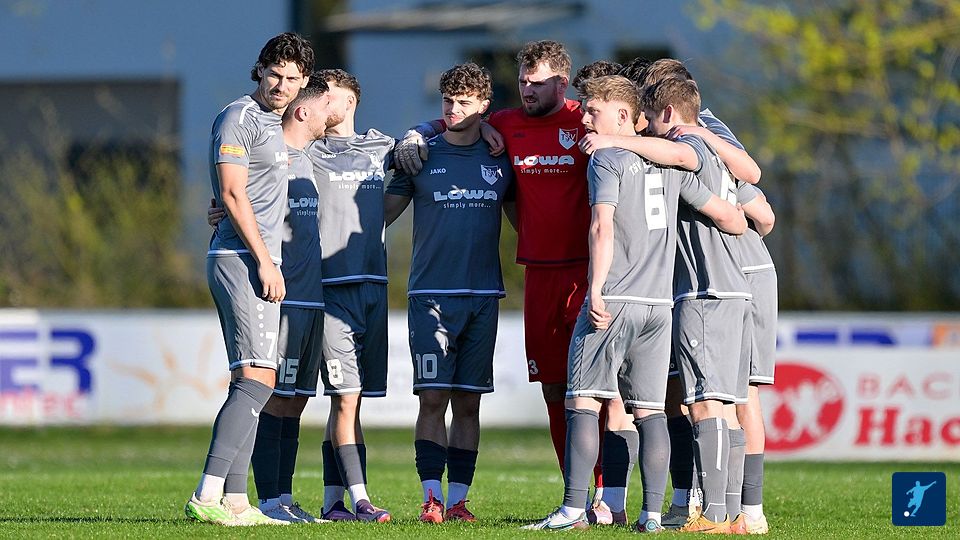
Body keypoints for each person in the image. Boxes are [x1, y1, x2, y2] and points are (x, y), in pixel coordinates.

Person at [394, 39, 614, 524]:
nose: (527, 89)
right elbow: (456, 120)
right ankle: (576, 496)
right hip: (537, 274)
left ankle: (608, 496)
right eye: (522, 81)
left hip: (590, 272)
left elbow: (631, 132)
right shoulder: (506, 126)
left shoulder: (587, 120)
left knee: (602, 392)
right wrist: (415, 132)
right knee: (554, 389)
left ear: (562, 81)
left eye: (537, 82)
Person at [525, 76, 745, 532]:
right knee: (650, 411)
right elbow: (729, 217)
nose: (586, 118)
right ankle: (651, 516)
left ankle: (572, 510)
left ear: (623, 115)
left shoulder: (607, 158)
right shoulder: (668, 163)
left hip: (615, 298)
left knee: (582, 400)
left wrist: (596, 289)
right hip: (658, 306)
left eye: (593, 110)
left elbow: (601, 227)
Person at [185, 32, 314, 526]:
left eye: (292, 78)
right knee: (260, 379)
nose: (281, 85)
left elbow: (242, 193)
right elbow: (234, 194)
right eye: (274, 74)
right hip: (242, 259)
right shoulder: (239, 116)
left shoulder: (272, 122)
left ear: (303, 82)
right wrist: (265, 260)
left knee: (252, 379)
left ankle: (237, 502)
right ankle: (207, 494)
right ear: (259, 70)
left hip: (247, 254)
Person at [384, 62, 515, 524]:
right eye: (447, 101)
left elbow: (529, 217)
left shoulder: (501, 157)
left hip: (483, 296)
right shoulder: (420, 155)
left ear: (484, 105)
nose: (453, 109)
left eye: (464, 102)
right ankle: (431, 498)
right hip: (431, 295)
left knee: (469, 403)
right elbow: (380, 214)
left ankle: (458, 501)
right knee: (433, 398)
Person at [309, 68, 396, 523]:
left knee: (350, 401)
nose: (322, 103)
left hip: (374, 286)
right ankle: (362, 500)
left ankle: (332, 503)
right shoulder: (306, 149)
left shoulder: (382, 148)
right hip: (330, 290)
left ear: (351, 101)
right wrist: (221, 208)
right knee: (346, 396)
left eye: (330, 95)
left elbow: (432, 147)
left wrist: (423, 132)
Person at [245, 81, 333, 524]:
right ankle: (268, 500)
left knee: (296, 400)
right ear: (302, 112)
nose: (331, 114)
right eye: (325, 106)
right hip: (284, 298)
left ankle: (284, 497)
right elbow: (235, 202)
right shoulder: (269, 157)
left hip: (313, 298)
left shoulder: (313, 158)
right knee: (276, 399)